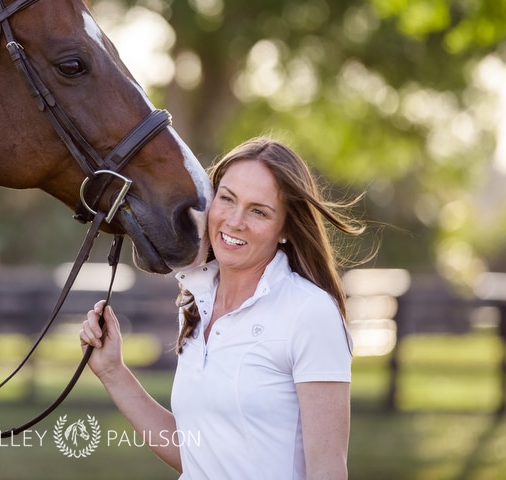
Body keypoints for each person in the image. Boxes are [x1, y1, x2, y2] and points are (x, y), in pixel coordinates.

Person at [79, 136, 367, 479]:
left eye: (258, 211)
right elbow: (197, 453)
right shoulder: (197, 301)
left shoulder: (310, 313)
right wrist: (113, 371)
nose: (234, 221)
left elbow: (328, 471)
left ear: (285, 229)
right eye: (227, 199)